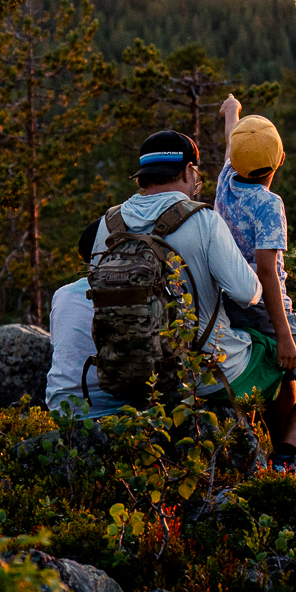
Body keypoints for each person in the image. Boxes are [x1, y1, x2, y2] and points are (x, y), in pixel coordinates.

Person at [44, 129, 262, 417]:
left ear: (143, 176)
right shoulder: (204, 220)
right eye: (194, 172)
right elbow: (248, 293)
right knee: (274, 353)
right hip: (197, 377)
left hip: (124, 376)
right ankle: (284, 456)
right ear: (187, 171)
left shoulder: (107, 224)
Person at [216, 97, 296, 471]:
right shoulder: (269, 204)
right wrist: (283, 332)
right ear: (280, 160)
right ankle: (286, 457)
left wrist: (231, 112)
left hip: (231, 305)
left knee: (283, 380)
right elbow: (267, 270)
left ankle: (278, 448)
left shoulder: (225, 179)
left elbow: (229, 141)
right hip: (268, 310)